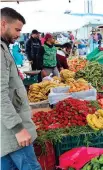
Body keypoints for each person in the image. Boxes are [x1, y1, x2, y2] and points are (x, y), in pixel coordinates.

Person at [1, 7, 41, 170]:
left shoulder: (4, 47)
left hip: (5, 131)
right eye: (17, 29)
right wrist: (19, 129)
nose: (19, 34)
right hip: (12, 132)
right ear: (3, 24)